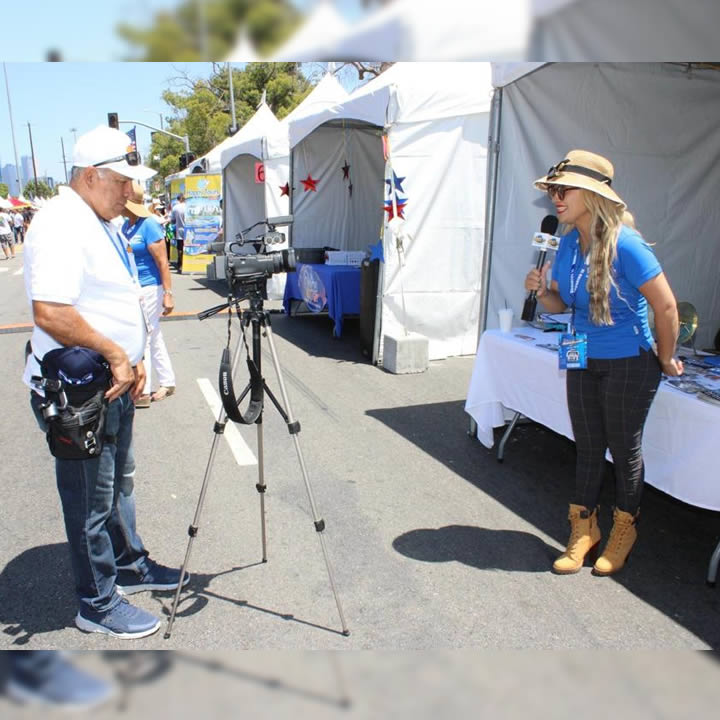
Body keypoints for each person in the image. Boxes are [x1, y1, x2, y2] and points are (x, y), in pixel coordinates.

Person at [22, 125, 189, 639]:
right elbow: (50, 310)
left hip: (110, 381)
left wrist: (135, 357)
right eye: (123, 182)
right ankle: (96, 602)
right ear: (92, 176)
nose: (130, 193)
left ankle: (129, 564)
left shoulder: (98, 217)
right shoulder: (59, 223)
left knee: (117, 487)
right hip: (81, 391)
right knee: (90, 502)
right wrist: (118, 353)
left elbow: (109, 300)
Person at [524, 149, 682, 577]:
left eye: (564, 190)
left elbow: (666, 308)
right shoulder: (570, 245)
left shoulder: (626, 245)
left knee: (624, 450)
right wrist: (542, 293)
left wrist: (665, 357)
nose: (556, 198)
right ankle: (583, 531)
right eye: (553, 190)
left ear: (592, 195)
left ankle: (624, 530)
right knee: (589, 448)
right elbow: (563, 304)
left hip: (630, 362)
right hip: (582, 357)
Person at [121, 182, 176, 407]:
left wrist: (168, 293)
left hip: (150, 286)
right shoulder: (126, 226)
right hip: (134, 287)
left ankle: (142, 390)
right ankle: (167, 381)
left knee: (143, 334)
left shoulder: (149, 225)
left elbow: (162, 262)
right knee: (153, 334)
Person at [169, 193, 186, 273]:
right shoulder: (188, 207)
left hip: (179, 231)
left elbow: (172, 220)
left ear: (178, 199)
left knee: (180, 249)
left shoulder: (175, 208)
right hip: (189, 231)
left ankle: (180, 265)